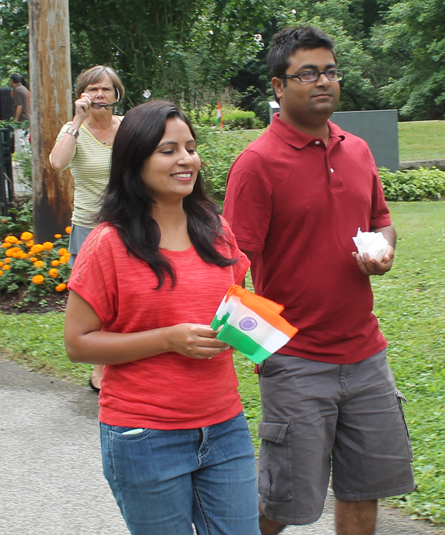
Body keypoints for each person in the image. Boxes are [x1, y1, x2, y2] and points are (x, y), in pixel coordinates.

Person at [223, 26, 415, 535]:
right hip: (298, 363)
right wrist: (263, 352)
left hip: (367, 355)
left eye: (329, 71)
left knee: (364, 489)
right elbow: (233, 267)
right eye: (307, 73)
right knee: (281, 501)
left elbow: (380, 219)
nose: (322, 81)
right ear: (278, 86)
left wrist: (384, 248)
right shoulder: (257, 164)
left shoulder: (357, 150)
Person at [63, 100, 260, 535]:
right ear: (136, 160)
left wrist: (251, 334)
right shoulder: (108, 244)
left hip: (224, 426)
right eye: (168, 150)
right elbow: (78, 343)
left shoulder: (214, 227)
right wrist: (168, 339)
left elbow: (237, 302)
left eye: (190, 147)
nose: (186, 159)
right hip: (144, 436)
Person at [50, 65, 125, 392]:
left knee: (126, 297)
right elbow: (57, 162)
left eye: (106, 89)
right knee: (95, 301)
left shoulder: (127, 127)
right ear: (83, 95)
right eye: (93, 89)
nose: (99, 95)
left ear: (116, 94)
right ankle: (99, 368)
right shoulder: (73, 129)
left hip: (128, 224)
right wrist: (77, 121)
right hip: (90, 227)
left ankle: (119, 359)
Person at [9, 73, 31, 153]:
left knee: (19, 142)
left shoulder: (17, 91)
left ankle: (20, 162)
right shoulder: (24, 89)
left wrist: (15, 120)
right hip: (27, 119)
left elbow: (19, 106)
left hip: (21, 120)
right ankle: (26, 160)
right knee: (25, 142)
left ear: (12, 81)